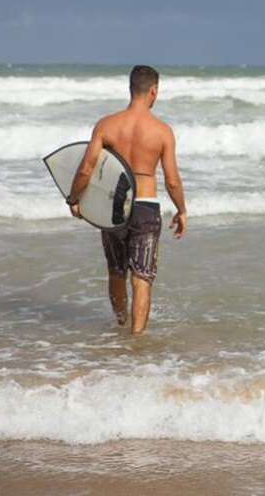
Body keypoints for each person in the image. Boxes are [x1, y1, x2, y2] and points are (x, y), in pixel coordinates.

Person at [66, 65, 187, 334]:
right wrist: (181, 210)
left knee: (117, 271)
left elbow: (86, 168)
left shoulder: (106, 125)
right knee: (142, 277)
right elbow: (172, 181)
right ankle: (136, 338)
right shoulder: (162, 131)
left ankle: (120, 324)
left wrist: (73, 198)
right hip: (145, 207)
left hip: (113, 208)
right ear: (153, 91)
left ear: (131, 88)